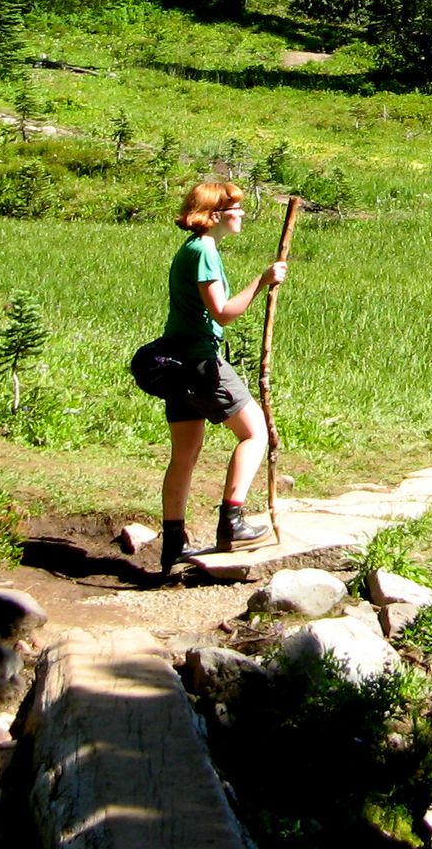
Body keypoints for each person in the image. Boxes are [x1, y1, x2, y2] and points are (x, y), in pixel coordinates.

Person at [158, 179, 287, 572]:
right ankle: (232, 522)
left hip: (174, 359)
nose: (242, 213)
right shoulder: (204, 250)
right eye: (235, 208)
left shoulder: (194, 248)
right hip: (200, 360)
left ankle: (173, 543)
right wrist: (261, 281)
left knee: (185, 453)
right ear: (215, 215)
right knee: (255, 433)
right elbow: (223, 313)